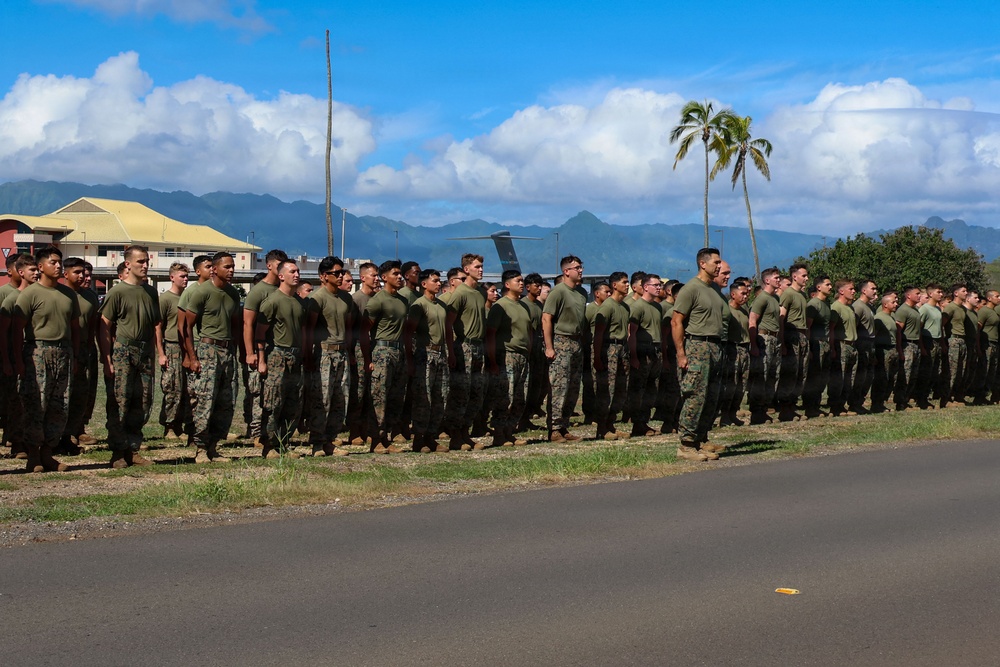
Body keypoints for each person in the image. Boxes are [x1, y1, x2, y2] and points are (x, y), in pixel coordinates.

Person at [13, 246, 80, 473]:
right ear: (41, 267)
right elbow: (16, 330)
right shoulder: (29, 294)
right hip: (38, 352)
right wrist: (18, 361)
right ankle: (33, 455)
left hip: (64, 353)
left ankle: (48, 454)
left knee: (59, 405)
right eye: (53, 262)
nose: (58, 266)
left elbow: (75, 329)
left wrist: (76, 356)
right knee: (35, 404)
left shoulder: (69, 295)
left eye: (60, 262)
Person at [99, 245, 159, 468]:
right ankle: (118, 451)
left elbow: (154, 325)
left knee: (142, 401)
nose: (145, 266)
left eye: (146, 261)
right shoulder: (117, 292)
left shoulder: (151, 292)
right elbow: (104, 326)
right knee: (120, 401)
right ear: (128, 264)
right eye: (140, 262)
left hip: (144, 352)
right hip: (124, 351)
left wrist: (153, 354)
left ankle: (133, 449)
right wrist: (107, 359)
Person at [181, 252, 243, 463]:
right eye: (227, 266)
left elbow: (235, 325)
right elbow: (186, 327)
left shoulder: (233, 294)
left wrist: (237, 351)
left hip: (227, 352)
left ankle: (214, 446)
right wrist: (192, 356)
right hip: (207, 350)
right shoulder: (202, 292)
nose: (231, 270)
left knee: (226, 400)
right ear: (215, 269)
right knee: (205, 400)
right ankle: (200, 448)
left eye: (233, 266)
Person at [671, 247, 729, 461]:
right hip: (697, 346)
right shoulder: (691, 289)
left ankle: (700, 439)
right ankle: (686, 445)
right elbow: (676, 321)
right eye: (716, 262)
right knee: (695, 396)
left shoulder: (713, 290)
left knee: (711, 397)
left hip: (715, 347)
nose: (719, 266)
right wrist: (681, 354)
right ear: (703, 264)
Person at [256, 260, 306, 458]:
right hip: (277, 354)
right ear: (281, 276)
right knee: (273, 402)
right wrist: (261, 359)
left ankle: (283, 444)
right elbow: (260, 334)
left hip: (295, 356)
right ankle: (268, 446)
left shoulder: (299, 302)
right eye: (292, 271)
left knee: (292, 403)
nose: (297, 274)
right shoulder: (272, 301)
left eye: (298, 271)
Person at [305, 256, 354, 457]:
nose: (341, 276)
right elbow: (309, 328)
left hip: (342, 352)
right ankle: (317, 442)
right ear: (324, 276)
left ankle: (331, 440)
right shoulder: (317, 299)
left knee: (340, 398)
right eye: (336, 273)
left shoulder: (346, 298)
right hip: (324, 353)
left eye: (342, 272)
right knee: (322, 399)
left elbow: (349, 328)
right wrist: (309, 355)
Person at [243, 249, 289, 445]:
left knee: (275, 395)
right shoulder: (258, 291)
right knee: (258, 393)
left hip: (279, 351)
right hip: (262, 349)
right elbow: (248, 324)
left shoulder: (283, 289)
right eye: (278, 264)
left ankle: (273, 432)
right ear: (269, 265)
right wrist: (250, 353)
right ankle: (256, 433)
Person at [405, 268, 454, 453]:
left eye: (439, 280)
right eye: (435, 280)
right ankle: (419, 438)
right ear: (424, 284)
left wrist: (450, 353)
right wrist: (410, 359)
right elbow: (409, 333)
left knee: (440, 396)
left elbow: (448, 330)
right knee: (423, 397)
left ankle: (431, 437)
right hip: (424, 354)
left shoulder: (441, 305)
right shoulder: (419, 305)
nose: (439, 283)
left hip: (440, 353)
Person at [363, 260, 409, 453]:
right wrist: (368, 360)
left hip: (399, 352)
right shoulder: (377, 300)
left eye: (400, 274)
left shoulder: (403, 301)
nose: (400, 277)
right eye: (395, 274)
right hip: (382, 351)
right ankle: (376, 439)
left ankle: (387, 436)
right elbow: (364, 331)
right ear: (384, 278)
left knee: (395, 397)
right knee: (379, 396)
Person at [542, 255, 587, 442]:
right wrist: (550, 347)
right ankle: (554, 428)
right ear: (566, 271)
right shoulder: (558, 292)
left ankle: (564, 426)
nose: (581, 270)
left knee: (573, 387)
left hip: (576, 343)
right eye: (577, 267)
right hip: (561, 341)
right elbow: (546, 318)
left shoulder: (581, 293)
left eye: (581, 266)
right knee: (559, 386)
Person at [445, 253, 487, 449]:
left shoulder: (480, 293)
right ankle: (455, 436)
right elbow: (448, 323)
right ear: (467, 269)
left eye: (481, 266)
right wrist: (451, 351)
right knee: (460, 393)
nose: (481, 270)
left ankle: (465, 433)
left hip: (479, 347)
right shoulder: (460, 293)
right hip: (464, 346)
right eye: (477, 266)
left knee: (476, 393)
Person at [485, 270, 532, 448]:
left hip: (523, 356)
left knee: (520, 397)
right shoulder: (500, 306)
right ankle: (499, 434)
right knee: (506, 397)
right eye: (518, 281)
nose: (521, 283)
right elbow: (491, 333)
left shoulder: (523, 305)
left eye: (522, 281)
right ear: (507, 284)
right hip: (507, 355)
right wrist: (493, 360)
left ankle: (509, 432)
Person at [60, 257, 100, 455]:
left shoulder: (91, 297)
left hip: (85, 348)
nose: (83, 276)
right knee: (62, 393)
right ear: (65, 274)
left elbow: (93, 325)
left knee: (82, 393)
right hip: (64, 348)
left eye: (84, 272)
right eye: (78, 272)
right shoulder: (61, 294)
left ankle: (75, 430)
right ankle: (59, 434)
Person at [0, 254, 37, 459]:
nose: (37, 273)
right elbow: (4, 333)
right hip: (15, 356)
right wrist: (7, 360)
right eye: (32, 270)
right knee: (15, 401)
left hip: (31, 355)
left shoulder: (37, 295)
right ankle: (16, 441)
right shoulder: (10, 297)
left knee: (30, 400)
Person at [593, 271, 631, 440]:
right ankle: (602, 427)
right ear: (614, 285)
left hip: (623, 349)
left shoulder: (625, 307)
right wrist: (597, 357)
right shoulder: (607, 306)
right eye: (624, 282)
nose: (627, 285)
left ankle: (611, 423)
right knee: (607, 389)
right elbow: (599, 334)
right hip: (610, 348)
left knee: (620, 390)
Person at [155, 262, 190, 440]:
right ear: (172, 277)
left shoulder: (188, 298)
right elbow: (158, 326)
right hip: (171, 346)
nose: (185, 280)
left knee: (186, 388)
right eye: (182, 276)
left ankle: (179, 425)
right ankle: (169, 425)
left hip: (186, 348)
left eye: (186, 276)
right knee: (172, 388)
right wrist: (161, 353)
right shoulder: (166, 299)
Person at [627, 274, 665, 438]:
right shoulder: (637, 307)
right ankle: (637, 423)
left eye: (660, 285)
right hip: (643, 352)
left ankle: (644, 421)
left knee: (651, 390)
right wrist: (634, 356)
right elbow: (631, 333)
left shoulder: (657, 307)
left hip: (656, 351)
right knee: (639, 390)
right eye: (655, 285)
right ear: (645, 287)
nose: (659, 288)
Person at [748, 267, 783, 424]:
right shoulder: (762, 298)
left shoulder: (774, 299)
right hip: (764, 338)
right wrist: (754, 344)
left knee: (771, 376)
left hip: (774, 339)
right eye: (776, 277)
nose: (779, 280)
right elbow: (752, 320)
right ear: (767, 280)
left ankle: (764, 409)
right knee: (761, 375)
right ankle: (756, 412)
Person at [348, 262, 377, 445]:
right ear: (363, 278)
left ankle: (368, 428)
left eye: (377, 275)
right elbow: (351, 329)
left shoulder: (378, 299)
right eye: (373, 275)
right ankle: (354, 430)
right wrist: (351, 352)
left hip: (374, 347)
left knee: (372, 392)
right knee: (358, 391)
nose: (376, 279)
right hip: (359, 348)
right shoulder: (356, 300)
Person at [777, 263, 810, 421]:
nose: (806, 278)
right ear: (794, 276)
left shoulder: (802, 295)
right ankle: (785, 408)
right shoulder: (788, 294)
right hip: (791, 335)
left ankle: (792, 406)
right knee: (790, 373)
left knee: (800, 373)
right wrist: (782, 342)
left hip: (802, 336)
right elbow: (781, 319)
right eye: (803, 275)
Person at [720, 278, 750, 426]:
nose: (745, 296)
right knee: (730, 384)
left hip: (745, 348)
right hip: (732, 349)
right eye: (742, 294)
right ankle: (724, 415)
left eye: (746, 294)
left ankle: (733, 413)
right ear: (733, 294)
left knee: (741, 385)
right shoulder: (727, 310)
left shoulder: (745, 310)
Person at [803, 276, 833, 418]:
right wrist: (809, 348)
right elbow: (808, 327)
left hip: (825, 343)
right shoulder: (813, 304)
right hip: (816, 343)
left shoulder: (827, 304)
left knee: (823, 377)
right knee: (814, 377)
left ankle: (816, 405)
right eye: (827, 284)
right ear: (819, 287)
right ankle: (810, 407)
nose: (830, 287)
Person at [827, 279, 858, 416]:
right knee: (838, 378)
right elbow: (831, 329)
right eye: (850, 289)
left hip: (852, 345)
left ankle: (842, 404)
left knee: (849, 378)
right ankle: (835, 406)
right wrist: (833, 348)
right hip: (841, 345)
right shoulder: (836, 307)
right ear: (841, 291)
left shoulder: (850, 308)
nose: (853, 291)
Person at [520, 273, 546, 429]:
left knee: (537, 384)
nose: (539, 288)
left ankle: (528, 415)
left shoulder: (539, 305)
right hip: (528, 346)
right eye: (536, 285)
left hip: (539, 347)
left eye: (540, 285)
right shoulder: (523, 305)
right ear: (528, 287)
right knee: (526, 385)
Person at [582, 281, 610, 425]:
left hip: (605, 348)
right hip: (591, 348)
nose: (609, 294)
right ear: (597, 293)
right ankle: (589, 414)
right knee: (590, 383)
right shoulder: (590, 310)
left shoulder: (608, 308)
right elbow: (584, 329)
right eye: (606, 292)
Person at [893, 286, 925, 411]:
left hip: (915, 345)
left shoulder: (916, 310)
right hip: (907, 345)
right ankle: (900, 402)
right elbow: (899, 331)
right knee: (905, 375)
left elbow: (919, 331)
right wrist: (900, 349)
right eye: (917, 294)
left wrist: (921, 347)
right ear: (908, 296)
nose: (919, 296)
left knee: (913, 375)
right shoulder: (903, 310)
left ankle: (906, 400)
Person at [871, 292, 901, 413]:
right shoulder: (879, 318)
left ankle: (882, 402)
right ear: (885, 304)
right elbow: (874, 335)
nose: (896, 304)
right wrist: (874, 354)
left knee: (890, 378)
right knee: (881, 378)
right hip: (882, 350)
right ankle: (876, 403)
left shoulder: (892, 317)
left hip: (892, 349)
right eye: (893, 302)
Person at [916, 283, 944, 409]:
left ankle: (926, 397)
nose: (941, 294)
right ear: (930, 294)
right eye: (938, 292)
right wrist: (922, 347)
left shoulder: (938, 309)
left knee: (934, 372)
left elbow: (940, 328)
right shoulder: (924, 309)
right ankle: (920, 399)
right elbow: (919, 329)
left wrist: (942, 344)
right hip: (927, 341)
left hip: (937, 341)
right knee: (925, 373)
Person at [940, 283, 969, 407]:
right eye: (963, 291)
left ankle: (956, 397)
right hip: (953, 340)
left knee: (961, 371)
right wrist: (944, 342)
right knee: (951, 371)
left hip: (962, 340)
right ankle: (945, 399)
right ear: (956, 293)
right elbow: (942, 324)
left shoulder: (963, 308)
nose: (966, 293)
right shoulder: (950, 307)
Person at [851, 280, 878, 414]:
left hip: (870, 344)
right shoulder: (858, 306)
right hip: (862, 343)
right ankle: (854, 403)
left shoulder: (870, 307)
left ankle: (860, 402)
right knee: (860, 376)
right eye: (872, 288)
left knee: (868, 376)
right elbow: (853, 327)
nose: (875, 291)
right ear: (864, 290)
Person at [976, 290, 1000, 404]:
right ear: (989, 298)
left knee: (991, 371)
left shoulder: (994, 311)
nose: (999, 298)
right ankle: (978, 396)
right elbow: (978, 329)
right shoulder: (984, 311)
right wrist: (978, 346)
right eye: (997, 296)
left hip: (994, 343)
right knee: (984, 370)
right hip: (987, 343)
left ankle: (985, 395)